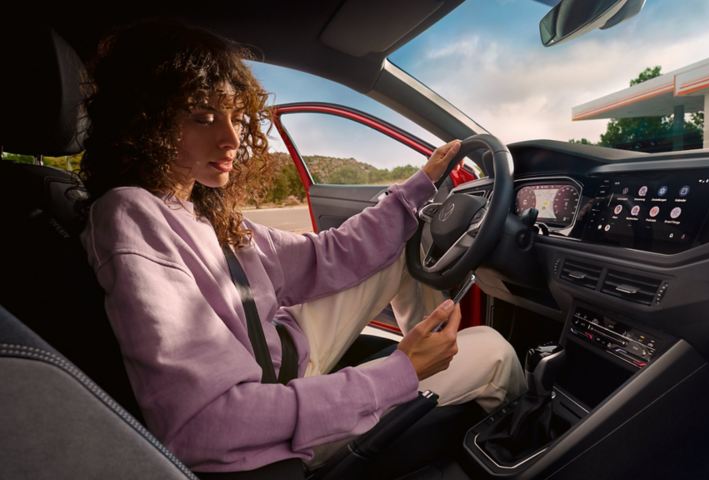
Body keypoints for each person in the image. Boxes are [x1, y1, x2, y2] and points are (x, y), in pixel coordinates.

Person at [79, 20, 525, 475]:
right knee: (493, 349)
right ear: (143, 118)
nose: (232, 139)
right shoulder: (130, 214)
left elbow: (325, 256)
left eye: (235, 117)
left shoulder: (197, 210)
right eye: (202, 116)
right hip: (266, 435)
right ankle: (521, 443)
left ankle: (430, 361)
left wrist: (418, 187)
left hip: (282, 359)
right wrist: (397, 374)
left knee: (402, 241)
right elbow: (206, 425)